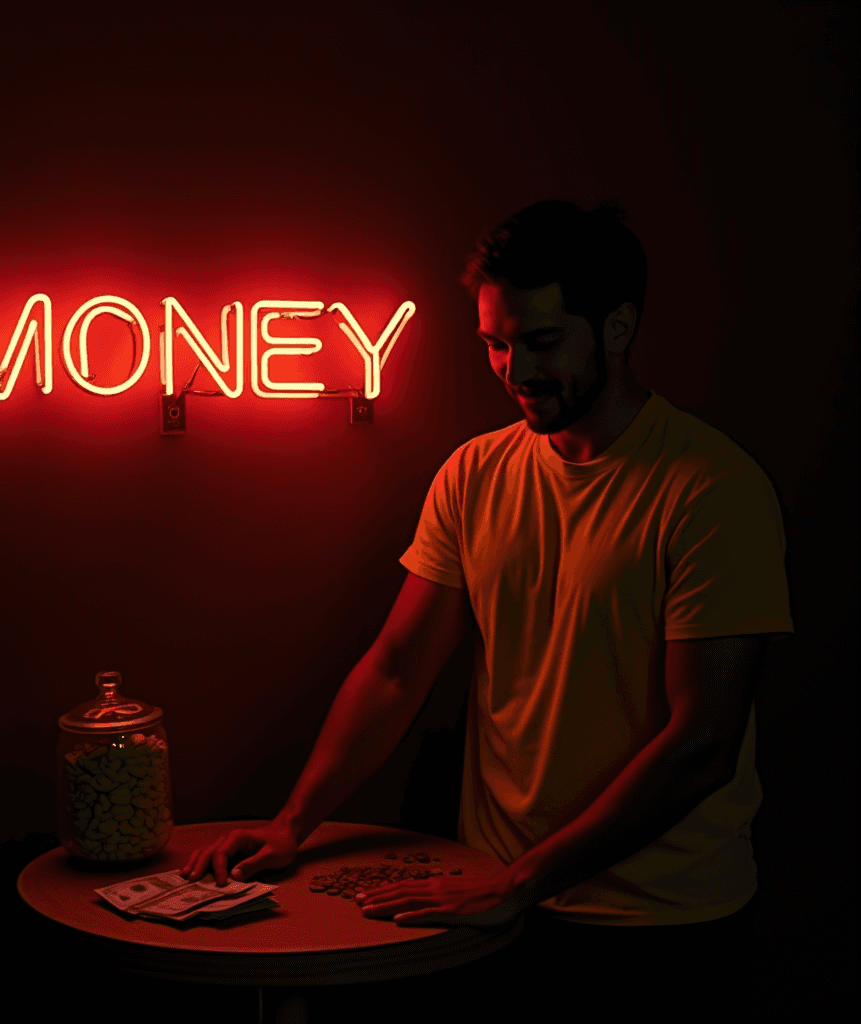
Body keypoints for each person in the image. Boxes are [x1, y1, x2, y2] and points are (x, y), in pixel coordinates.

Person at [179, 200, 795, 1019]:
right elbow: (397, 670)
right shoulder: (475, 474)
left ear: (617, 328)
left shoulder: (712, 491)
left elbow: (702, 744)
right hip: (500, 908)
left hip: (660, 922)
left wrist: (518, 881)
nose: (513, 370)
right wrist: (295, 821)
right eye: (496, 344)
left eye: (541, 342)